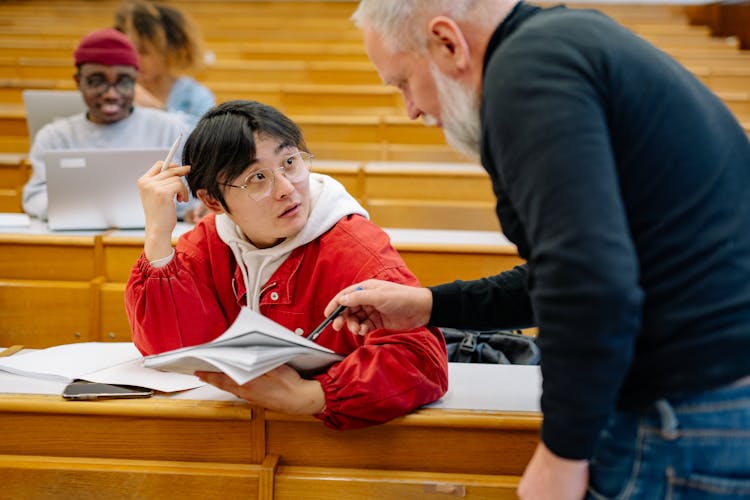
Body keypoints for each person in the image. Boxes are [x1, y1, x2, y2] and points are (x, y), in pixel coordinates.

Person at [324, 1, 750, 497]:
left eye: (402, 82)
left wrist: (561, 452)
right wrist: (430, 306)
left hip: (687, 408)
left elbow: (587, 281)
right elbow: (574, 269)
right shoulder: (560, 45)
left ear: (447, 43)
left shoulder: (525, 77)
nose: (412, 108)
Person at [125, 100, 448, 429]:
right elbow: (167, 349)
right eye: (258, 178)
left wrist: (311, 396)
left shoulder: (353, 247)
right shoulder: (209, 241)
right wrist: (157, 236)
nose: (286, 188)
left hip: (334, 438)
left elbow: (420, 359)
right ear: (212, 201)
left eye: (290, 162)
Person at [22, 27, 195, 221]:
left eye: (124, 82)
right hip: (79, 238)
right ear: (78, 82)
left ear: (136, 81)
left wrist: (187, 209)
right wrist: (83, 213)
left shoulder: (171, 129)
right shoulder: (54, 136)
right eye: (97, 82)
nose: (111, 94)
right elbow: (34, 197)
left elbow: (192, 196)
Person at [114, 0, 215, 127]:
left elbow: (206, 138)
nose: (135, 59)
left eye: (144, 51)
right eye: (130, 50)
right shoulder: (115, 90)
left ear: (168, 51)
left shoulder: (195, 95)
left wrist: (159, 110)